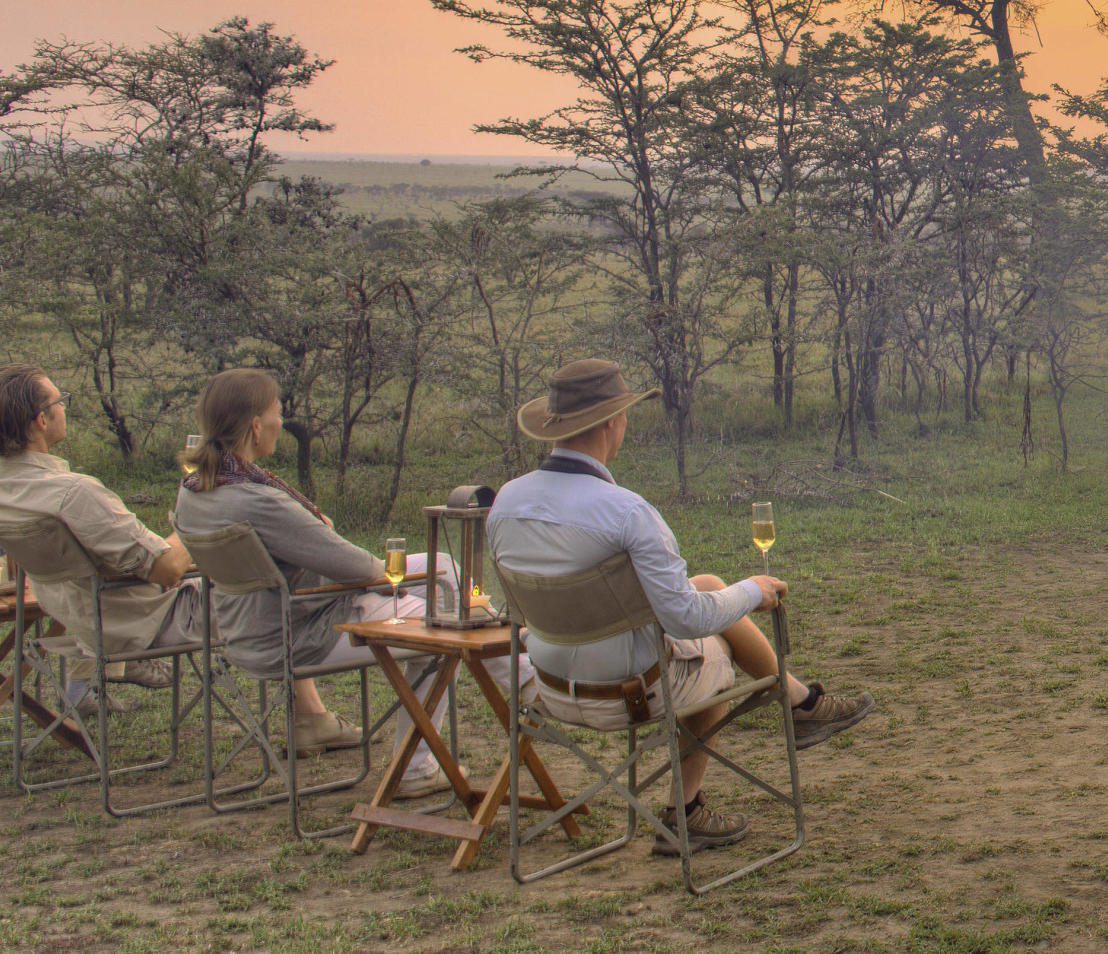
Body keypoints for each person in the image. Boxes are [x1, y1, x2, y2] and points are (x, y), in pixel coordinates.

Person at [488, 359, 874, 855]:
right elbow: (686, 619)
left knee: (707, 585)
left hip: (550, 687)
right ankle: (686, 808)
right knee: (712, 647)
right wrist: (754, 589)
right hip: (632, 693)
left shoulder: (505, 503)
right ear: (612, 422)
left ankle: (802, 704)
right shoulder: (627, 512)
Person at [175, 368, 521, 793]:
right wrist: (380, 573)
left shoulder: (195, 489)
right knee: (441, 630)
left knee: (444, 565)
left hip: (245, 629)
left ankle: (523, 678)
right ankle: (423, 763)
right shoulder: (259, 501)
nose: (280, 422)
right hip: (298, 634)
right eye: (277, 413)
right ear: (254, 426)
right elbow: (359, 568)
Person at [0, 364, 192, 702]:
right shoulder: (74, 493)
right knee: (274, 588)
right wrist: (198, 515)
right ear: (42, 420)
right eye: (61, 401)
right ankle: (303, 713)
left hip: (73, 618)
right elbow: (168, 568)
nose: (63, 409)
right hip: (140, 621)